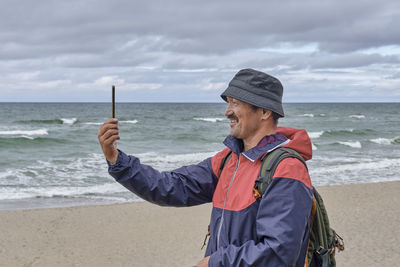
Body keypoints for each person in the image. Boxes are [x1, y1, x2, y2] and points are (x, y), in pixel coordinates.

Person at [98, 68, 313, 267]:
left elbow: (279, 253)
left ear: (264, 112)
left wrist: (214, 263)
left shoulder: (286, 168)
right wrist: (116, 159)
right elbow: (171, 186)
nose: (227, 112)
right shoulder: (229, 160)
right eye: (228, 103)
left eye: (235, 103)